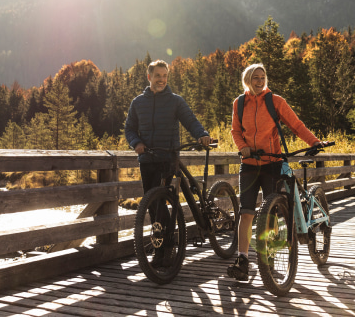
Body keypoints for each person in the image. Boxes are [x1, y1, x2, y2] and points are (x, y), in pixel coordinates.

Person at [227, 63, 323, 281]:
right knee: (246, 212)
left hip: (272, 163)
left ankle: (269, 253)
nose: (259, 81)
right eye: (255, 78)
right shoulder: (239, 103)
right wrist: (242, 147)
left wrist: (314, 141)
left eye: (262, 77)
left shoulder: (276, 101)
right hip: (250, 163)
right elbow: (235, 130)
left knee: (270, 210)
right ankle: (242, 259)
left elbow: (296, 125)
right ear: (247, 80)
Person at [125, 59, 211, 266]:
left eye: (165, 76)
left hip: (168, 158)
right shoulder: (137, 103)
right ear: (149, 77)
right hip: (147, 159)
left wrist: (202, 134)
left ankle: (168, 247)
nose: (162, 80)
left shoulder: (175, 101)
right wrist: (136, 143)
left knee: (159, 201)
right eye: (158, 76)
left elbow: (190, 120)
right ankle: (160, 249)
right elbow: (129, 129)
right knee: (153, 207)